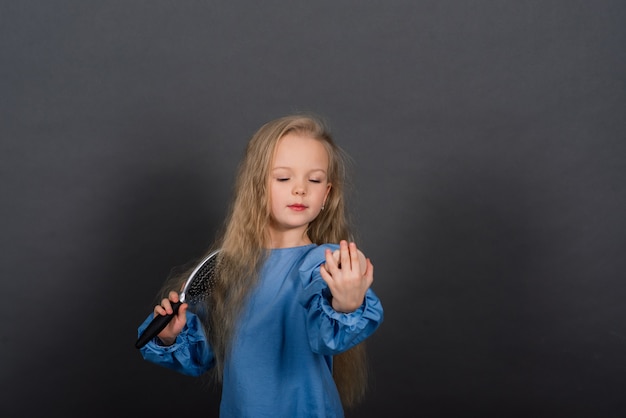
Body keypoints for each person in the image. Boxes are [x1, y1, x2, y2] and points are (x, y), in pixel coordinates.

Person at [137, 113, 384, 417]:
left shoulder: (326, 263)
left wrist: (347, 303)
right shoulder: (227, 269)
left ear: (326, 196)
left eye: (315, 179)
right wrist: (170, 335)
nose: (300, 189)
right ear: (255, 186)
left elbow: (330, 336)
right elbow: (202, 356)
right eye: (283, 177)